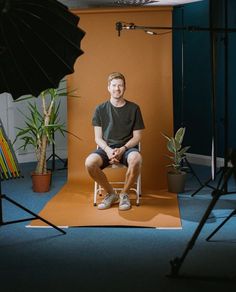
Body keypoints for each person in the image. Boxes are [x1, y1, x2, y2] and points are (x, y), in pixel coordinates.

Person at [85, 72, 145, 211]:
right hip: (106, 149)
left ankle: (124, 194)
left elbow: (137, 137)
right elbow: (98, 138)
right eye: (114, 85)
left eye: (120, 85)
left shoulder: (134, 108)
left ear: (124, 88)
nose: (117, 89)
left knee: (136, 158)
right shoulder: (100, 109)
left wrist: (122, 149)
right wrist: (109, 151)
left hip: (127, 149)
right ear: (108, 87)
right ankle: (111, 194)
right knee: (89, 163)